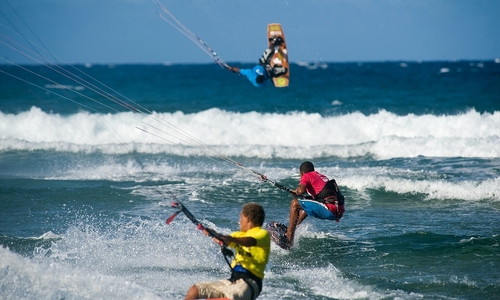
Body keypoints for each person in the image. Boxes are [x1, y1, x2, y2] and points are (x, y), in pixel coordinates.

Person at [185, 202, 271, 300]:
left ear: (247, 219)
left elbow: (250, 241)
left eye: (241, 218)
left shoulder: (262, 233)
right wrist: (211, 233)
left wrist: (232, 239)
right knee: (195, 290)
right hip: (233, 280)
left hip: (250, 283)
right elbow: (223, 240)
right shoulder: (239, 235)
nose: (240, 221)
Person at [285, 161, 345, 248]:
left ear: (301, 173)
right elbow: (320, 194)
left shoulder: (306, 175)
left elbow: (301, 191)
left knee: (294, 203)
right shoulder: (321, 176)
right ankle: (291, 229)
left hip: (330, 209)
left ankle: (289, 238)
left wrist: (297, 191)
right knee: (305, 205)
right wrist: (298, 192)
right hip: (338, 211)